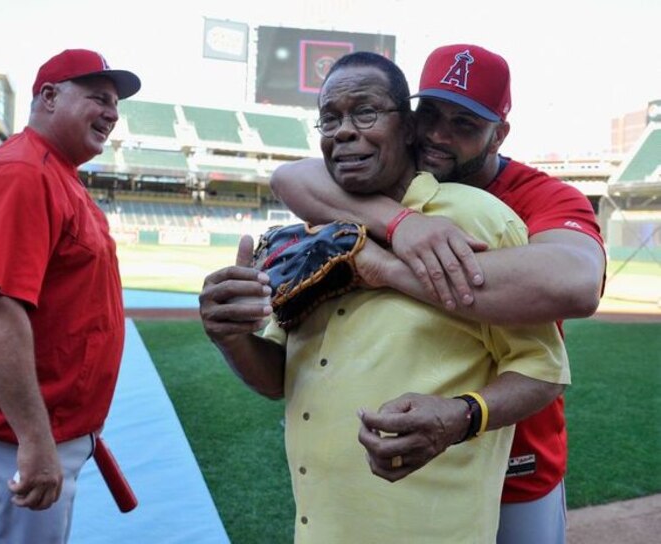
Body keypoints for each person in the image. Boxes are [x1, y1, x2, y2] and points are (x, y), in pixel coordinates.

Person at [200, 51, 570, 543]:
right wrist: (230, 336)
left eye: (366, 113)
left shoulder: (479, 218)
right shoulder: (313, 229)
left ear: (408, 129)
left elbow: (545, 369)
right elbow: (278, 378)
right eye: (330, 118)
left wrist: (461, 416)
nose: (344, 131)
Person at [0, 49, 140, 543]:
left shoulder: (55, 172)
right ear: (48, 96)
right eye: (98, 98)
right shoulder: (22, 173)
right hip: (5, 435)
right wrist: (35, 439)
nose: (112, 113)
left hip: (38, 430)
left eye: (115, 104)